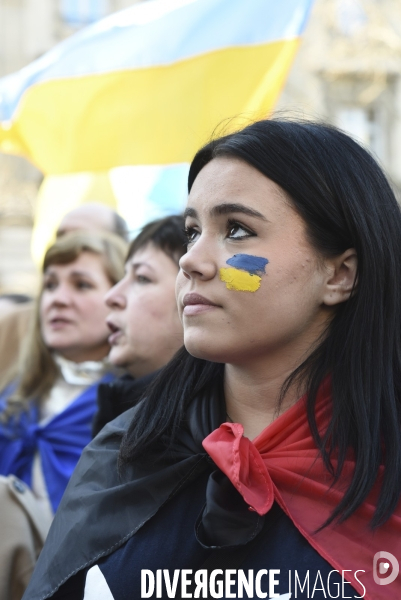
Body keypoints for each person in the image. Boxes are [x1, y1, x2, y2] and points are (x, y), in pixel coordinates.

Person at [24, 119, 401, 600]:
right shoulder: (126, 454)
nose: (191, 261)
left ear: (340, 274)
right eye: (191, 231)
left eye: (237, 230)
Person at [0, 230, 127, 520]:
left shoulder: (131, 404)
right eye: (50, 285)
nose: (58, 299)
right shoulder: (11, 394)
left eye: (81, 285)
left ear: (120, 297)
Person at [92, 215, 186, 437]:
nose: (111, 296)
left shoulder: (202, 434)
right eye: (124, 276)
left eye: (142, 278)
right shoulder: (116, 405)